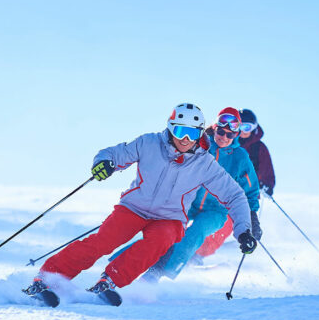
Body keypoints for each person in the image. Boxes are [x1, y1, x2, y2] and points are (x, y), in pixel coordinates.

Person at [24, 103, 258, 302]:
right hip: (134, 208)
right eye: (180, 131)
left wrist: (244, 230)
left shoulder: (203, 162)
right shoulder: (149, 143)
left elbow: (235, 195)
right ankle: (47, 277)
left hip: (169, 217)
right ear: (170, 128)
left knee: (162, 240)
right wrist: (105, 162)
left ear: (200, 134)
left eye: (193, 134)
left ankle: (110, 280)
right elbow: (115, 153)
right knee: (104, 241)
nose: (186, 140)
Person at [145, 107, 262, 279]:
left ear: (236, 135)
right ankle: (121, 267)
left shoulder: (240, 157)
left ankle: (161, 276)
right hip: (189, 200)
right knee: (164, 229)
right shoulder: (201, 145)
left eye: (230, 135)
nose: (224, 137)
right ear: (215, 128)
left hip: (216, 210)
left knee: (195, 232)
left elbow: (250, 190)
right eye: (221, 132)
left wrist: (252, 217)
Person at [238, 108, 276, 196]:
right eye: (240, 127)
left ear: (254, 128)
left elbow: (267, 168)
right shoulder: (227, 142)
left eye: (247, 127)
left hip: (249, 193)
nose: (243, 131)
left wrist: (267, 185)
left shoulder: (259, 148)